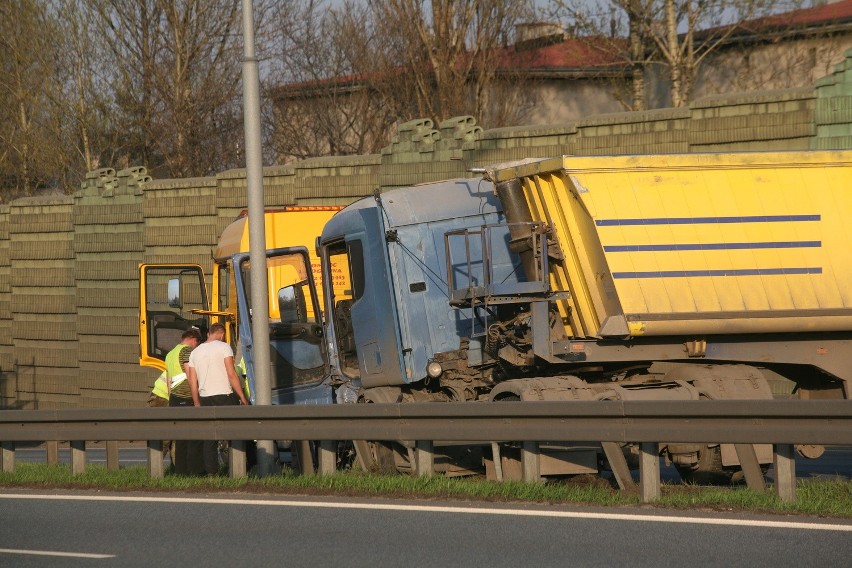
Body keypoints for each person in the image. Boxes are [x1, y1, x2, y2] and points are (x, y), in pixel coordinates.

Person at [187, 323, 248, 475]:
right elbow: (231, 374)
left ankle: (212, 473)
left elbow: (193, 382)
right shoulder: (224, 347)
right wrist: (242, 397)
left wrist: (196, 403)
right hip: (224, 396)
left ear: (209, 333)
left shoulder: (195, 352)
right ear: (221, 334)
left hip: (205, 398)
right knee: (234, 433)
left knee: (209, 438)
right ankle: (236, 470)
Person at [165, 327, 204, 475]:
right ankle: (194, 471)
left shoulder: (170, 354)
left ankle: (180, 471)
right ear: (193, 339)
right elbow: (190, 376)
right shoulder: (187, 351)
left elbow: (169, 381)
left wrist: (171, 399)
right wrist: (197, 400)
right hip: (187, 397)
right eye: (197, 343)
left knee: (180, 438)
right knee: (194, 437)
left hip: (175, 398)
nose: (197, 346)